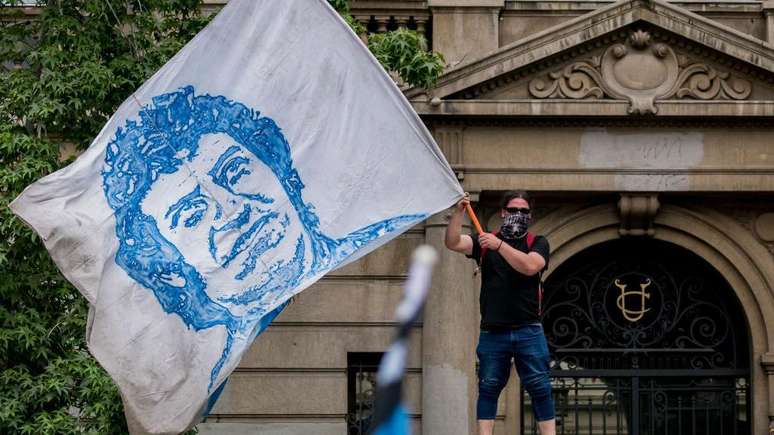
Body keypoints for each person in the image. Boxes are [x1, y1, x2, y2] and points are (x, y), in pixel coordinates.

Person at [102, 86, 423, 390]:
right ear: (171, 271)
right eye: (193, 214)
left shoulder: (390, 228)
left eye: (236, 171)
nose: (232, 209)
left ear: (280, 168)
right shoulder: (203, 384)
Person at [445, 191, 556, 435]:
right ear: (503, 212)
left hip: (529, 328)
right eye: (513, 210)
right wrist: (458, 212)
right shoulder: (484, 242)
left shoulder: (538, 243)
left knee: (540, 387)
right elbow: (452, 242)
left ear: (530, 215)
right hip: (493, 331)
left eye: (524, 211)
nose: (519, 215)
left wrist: (500, 246)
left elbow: (529, 266)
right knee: (488, 386)